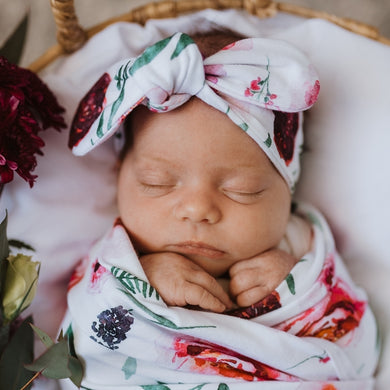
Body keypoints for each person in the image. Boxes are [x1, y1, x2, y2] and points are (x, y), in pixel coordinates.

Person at [62, 31, 379, 389]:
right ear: (120, 175)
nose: (198, 210)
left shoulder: (304, 248)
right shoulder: (117, 260)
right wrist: (140, 278)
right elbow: (79, 341)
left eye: (242, 190)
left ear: (286, 193)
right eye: (157, 182)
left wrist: (297, 289)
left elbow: (361, 352)